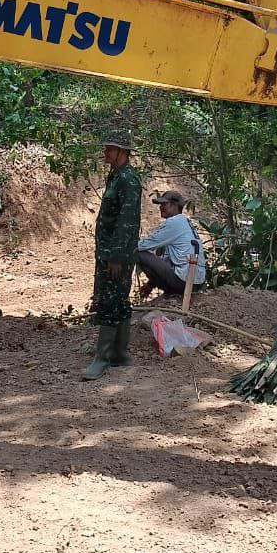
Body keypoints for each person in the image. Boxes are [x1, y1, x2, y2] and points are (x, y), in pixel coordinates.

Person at [82, 129, 142, 381]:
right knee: (118, 299)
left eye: (110, 149)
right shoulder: (116, 176)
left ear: (122, 152)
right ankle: (119, 354)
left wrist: (116, 256)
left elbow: (127, 221)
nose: (105, 153)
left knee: (109, 300)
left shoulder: (128, 179)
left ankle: (102, 358)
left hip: (117, 255)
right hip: (109, 252)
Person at [137, 189, 206, 297]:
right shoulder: (184, 222)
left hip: (184, 282)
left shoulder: (174, 222)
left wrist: (120, 249)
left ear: (175, 205)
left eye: (164, 204)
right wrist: (150, 284)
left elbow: (145, 245)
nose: (161, 207)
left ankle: (173, 291)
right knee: (167, 259)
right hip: (197, 283)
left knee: (136, 252)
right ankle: (163, 289)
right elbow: (168, 260)